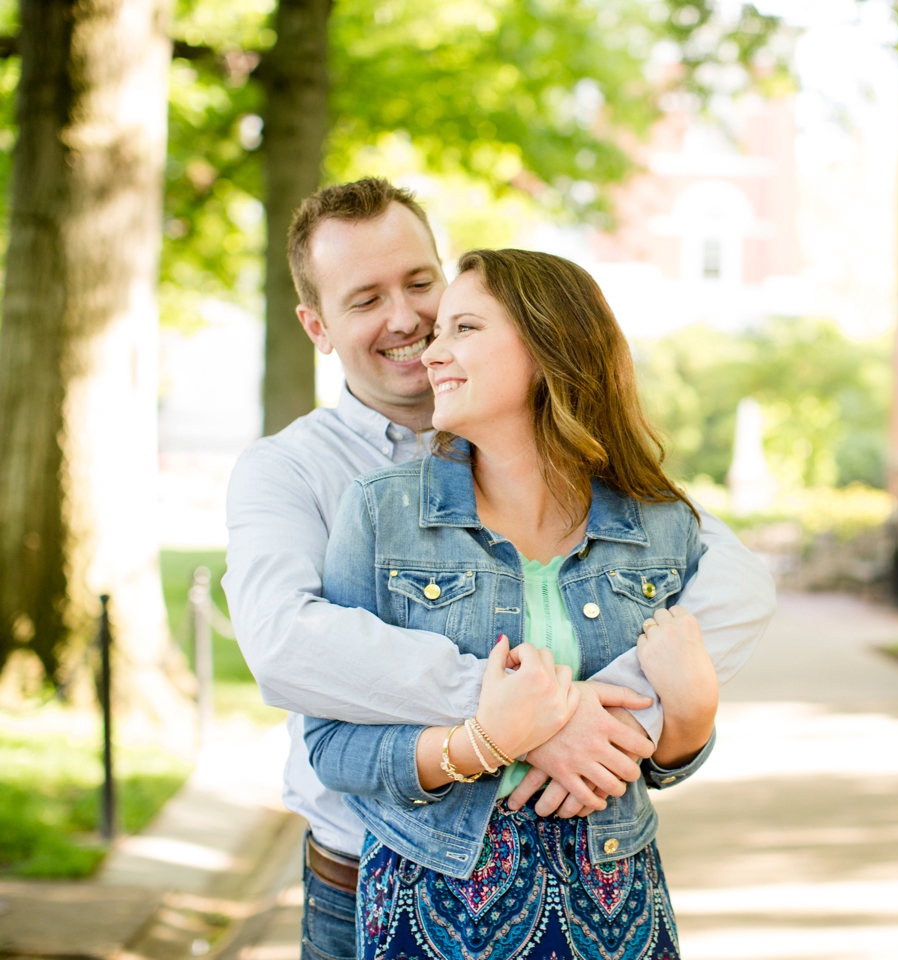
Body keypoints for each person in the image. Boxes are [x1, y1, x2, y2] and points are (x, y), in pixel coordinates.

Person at [222, 179, 775, 960]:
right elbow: (285, 647)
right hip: (374, 881)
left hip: (605, 896)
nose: (409, 319)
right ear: (316, 326)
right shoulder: (306, 477)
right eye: (365, 299)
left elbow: (735, 581)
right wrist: (519, 717)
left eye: (421, 283)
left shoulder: (604, 489)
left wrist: (651, 720)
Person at [307, 248, 717, 960]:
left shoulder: (663, 526)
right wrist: (491, 741)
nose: (432, 353)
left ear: (548, 343)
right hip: (430, 899)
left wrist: (695, 713)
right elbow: (332, 747)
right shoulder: (382, 516)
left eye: (462, 329)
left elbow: (655, 764)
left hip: (616, 901)